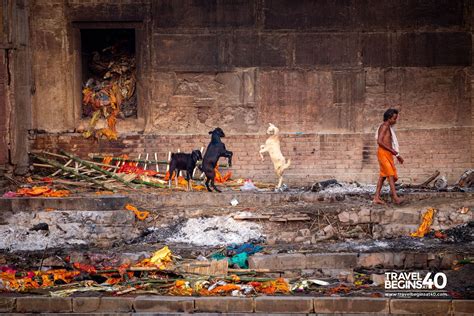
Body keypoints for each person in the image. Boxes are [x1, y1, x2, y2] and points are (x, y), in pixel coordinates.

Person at [373, 108, 404, 205]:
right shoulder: (384, 126)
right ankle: (395, 197)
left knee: (382, 176)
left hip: (388, 154)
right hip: (383, 153)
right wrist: (395, 153)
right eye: (394, 118)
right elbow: (379, 141)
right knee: (390, 174)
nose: (395, 120)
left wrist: (393, 153)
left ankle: (376, 198)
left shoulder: (388, 127)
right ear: (388, 118)